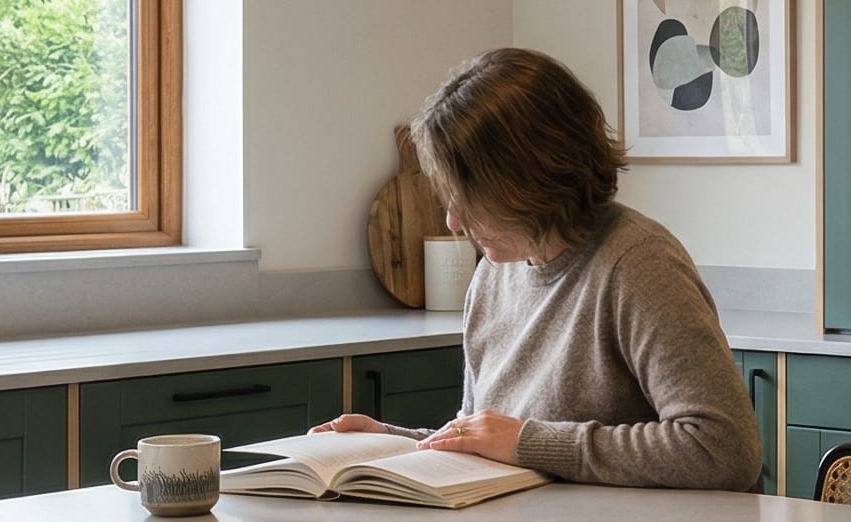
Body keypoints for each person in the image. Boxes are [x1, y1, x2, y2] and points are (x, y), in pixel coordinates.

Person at [317, 47, 765, 491]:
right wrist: (390, 445)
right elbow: (492, 442)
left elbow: (724, 450)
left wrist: (529, 443)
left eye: (469, 198)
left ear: (528, 179)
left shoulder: (637, 265)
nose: (454, 221)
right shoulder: (494, 273)